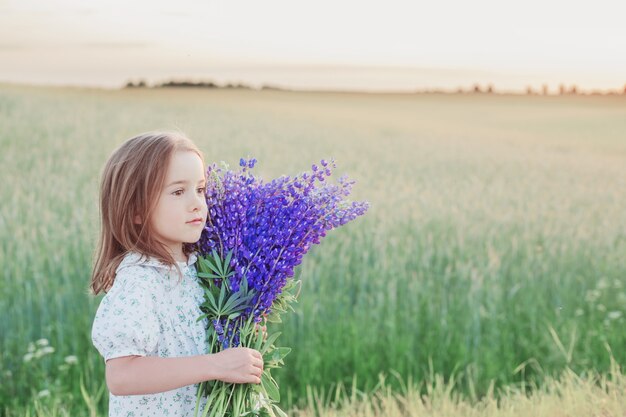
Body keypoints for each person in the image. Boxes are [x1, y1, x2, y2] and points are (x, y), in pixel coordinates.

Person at [90, 131, 263, 416]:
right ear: (136, 210)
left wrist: (241, 337)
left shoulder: (200, 267)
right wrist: (217, 364)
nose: (197, 203)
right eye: (178, 191)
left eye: (201, 189)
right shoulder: (140, 281)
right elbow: (121, 375)